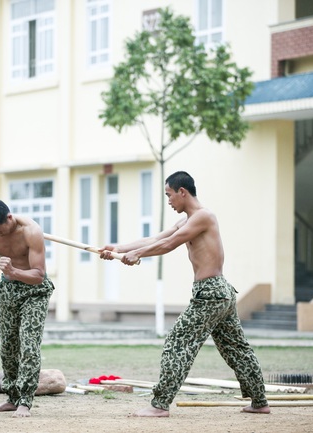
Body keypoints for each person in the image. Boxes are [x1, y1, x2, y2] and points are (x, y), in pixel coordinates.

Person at [100, 171, 270, 417]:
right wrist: (117, 248)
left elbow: (171, 244)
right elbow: (158, 237)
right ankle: (259, 402)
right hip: (219, 292)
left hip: (211, 293)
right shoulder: (187, 220)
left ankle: (159, 406)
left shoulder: (203, 217)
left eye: (169, 195)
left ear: (182, 192)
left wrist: (139, 255)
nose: (168, 201)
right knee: (236, 348)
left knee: (178, 343)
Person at [0, 199, 55, 418]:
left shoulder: (31, 231)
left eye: (1, 232)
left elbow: (38, 275)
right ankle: (12, 397)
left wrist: (13, 271)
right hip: (8, 289)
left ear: (9, 218)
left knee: (29, 344)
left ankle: (25, 400)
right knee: (8, 346)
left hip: (35, 291)